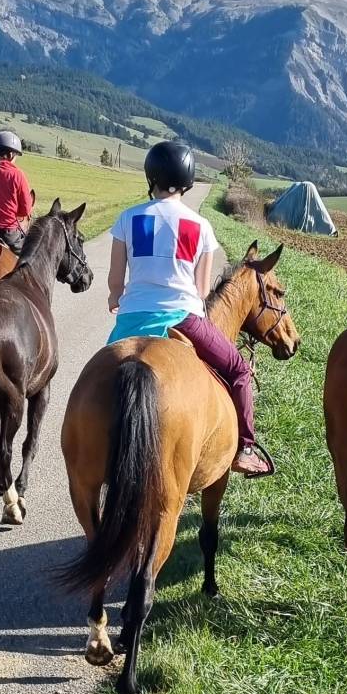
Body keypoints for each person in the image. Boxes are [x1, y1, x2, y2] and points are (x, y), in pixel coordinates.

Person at [107, 141, 272, 477]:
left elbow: (115, 281)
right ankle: (244, 448)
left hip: (132, 318)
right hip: (183, 319)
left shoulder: (128, 218)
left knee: (100, 380)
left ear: (150, 176)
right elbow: (199, 291)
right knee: (239, 369)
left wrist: (115, 298)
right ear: (188, 181)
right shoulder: (201, 227)